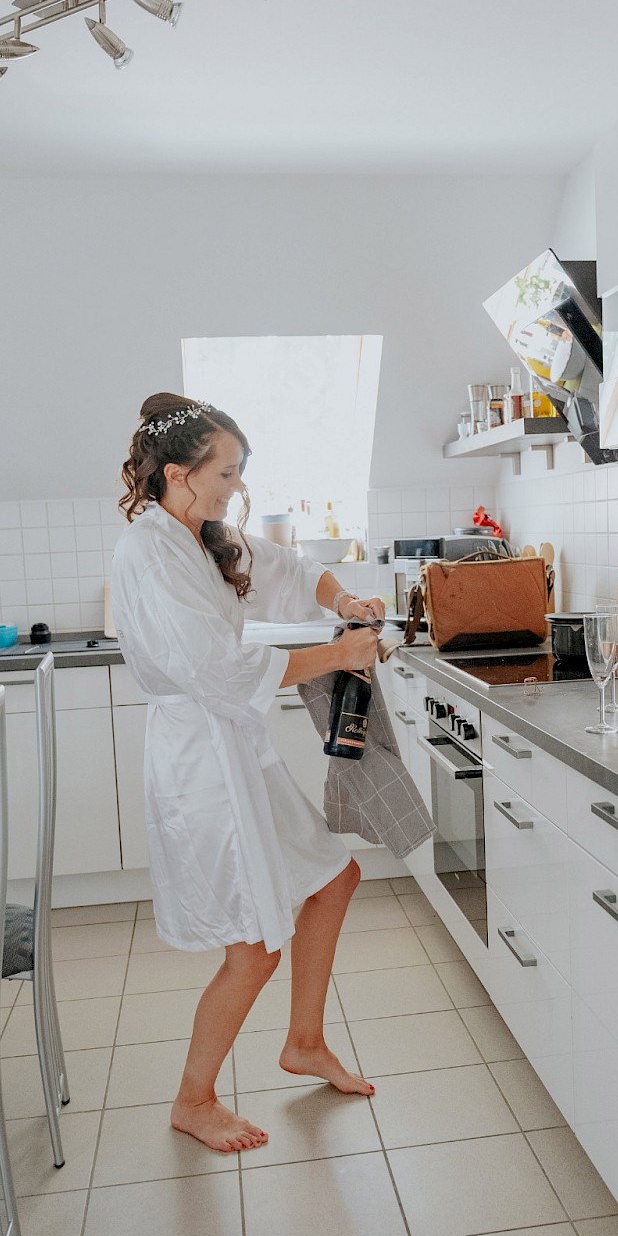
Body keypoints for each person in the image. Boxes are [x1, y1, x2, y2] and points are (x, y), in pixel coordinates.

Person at [111, 392, 386, 1154]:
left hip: (234, 750)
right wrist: (339, 653)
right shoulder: (149, 552)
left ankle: (303, 1041)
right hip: (201, 764)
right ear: (178, 472)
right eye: (227, 472)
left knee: (334, 878)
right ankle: (193, 1100)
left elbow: (291, 567)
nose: (236, 485)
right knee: (254, 945)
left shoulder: (198, 534)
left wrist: (346, 599)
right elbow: (220, 672)